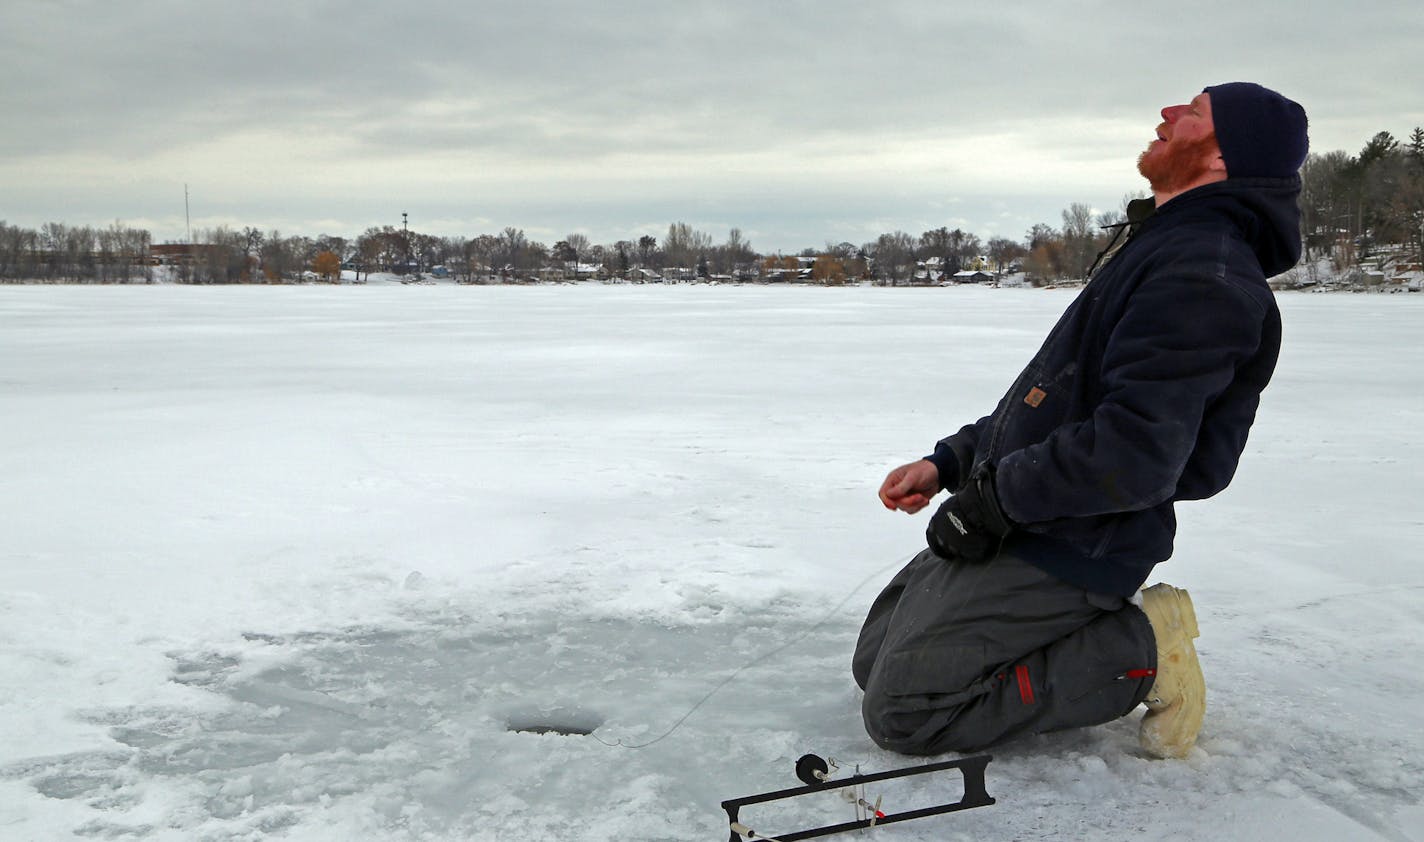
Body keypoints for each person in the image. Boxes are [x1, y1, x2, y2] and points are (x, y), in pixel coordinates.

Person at [852, 83, 1308, 760]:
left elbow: (1135, 452)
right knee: (873, 666)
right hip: (1032, 518)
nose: (1168, 114)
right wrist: (950, 462)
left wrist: (994, 502)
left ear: (1222, 158)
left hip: (1080, 542)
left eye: (1195, 113)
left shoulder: (1202, 274)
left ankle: (1142, 647)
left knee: (907, 711)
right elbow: (1052, 402)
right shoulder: (1162, 248)